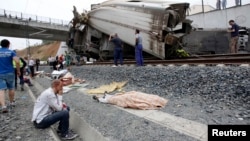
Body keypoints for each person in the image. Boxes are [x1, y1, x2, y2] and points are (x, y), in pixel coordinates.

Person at [0, 39, 20, 113]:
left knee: (1, 90)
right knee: (11, 88)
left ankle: (3, 106)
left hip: (0, 73)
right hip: (10, 72)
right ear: (8, 44)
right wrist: (18, 71)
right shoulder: (11, 52)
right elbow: (17, 61)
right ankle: (11, 102)